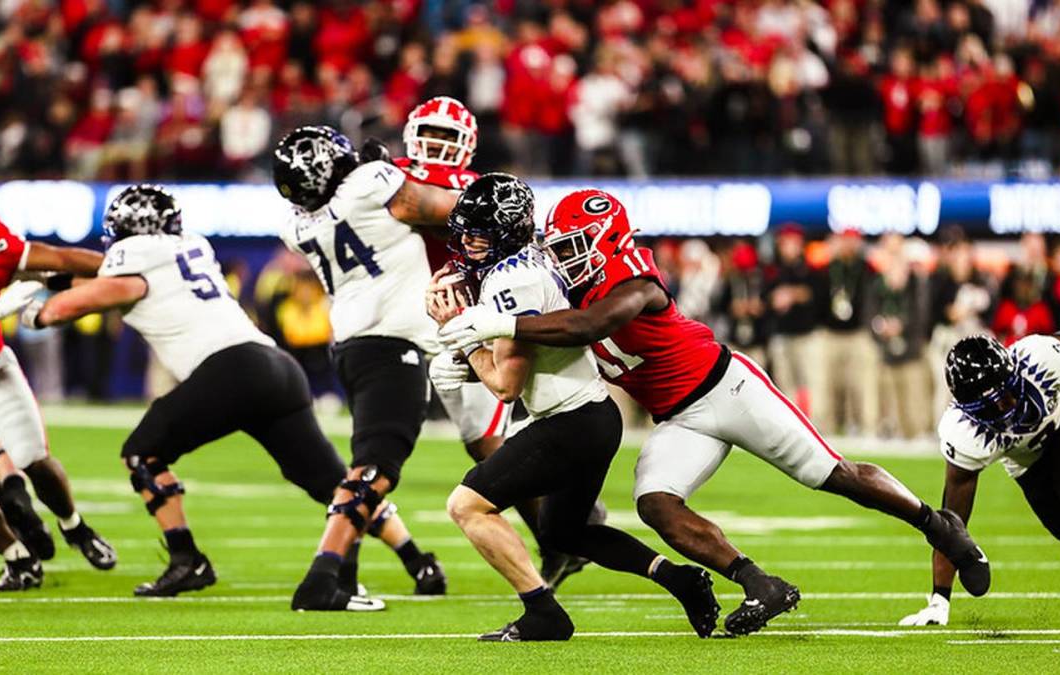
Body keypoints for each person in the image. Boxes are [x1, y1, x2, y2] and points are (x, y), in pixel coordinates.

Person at [440, 189, 992, 636]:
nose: (563, 256)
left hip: (727, 388)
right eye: (558, 246)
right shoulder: (560, 284)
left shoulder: (632, 277)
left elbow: (588, 328)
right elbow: (543, 348)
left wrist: (494, 324)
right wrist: (474, 355)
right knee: (656, 504)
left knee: (831, 475)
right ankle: (758, 582)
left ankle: (938, 525)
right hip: (678, 418)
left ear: (608, 240)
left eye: (575, 245)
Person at [27, 185, 361, 603]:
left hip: (229, 368)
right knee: (332, 480)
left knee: (143, 453)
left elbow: (90, 294)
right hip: (271, 363)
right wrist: (50, 276)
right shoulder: (188, 248)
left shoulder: (136, 260)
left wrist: (29, 308)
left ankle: (186, 559)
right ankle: (413, 555)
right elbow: (104, 277)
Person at [428, 174, 720, 641]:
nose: (468, 243)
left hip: (571, 422)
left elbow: (505, 384)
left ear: (506, 231)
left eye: (480, 233)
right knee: (566, 531)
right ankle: (680, 580)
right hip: (591, 415)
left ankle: (543, 612)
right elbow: (523, 361)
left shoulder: (511, 279)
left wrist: (461, 341)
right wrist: (469, 354)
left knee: (467, 506)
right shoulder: (527, 264)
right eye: (465, 232)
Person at [398, 96, 590, 587]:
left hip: (480, 312)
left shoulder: (470, 190)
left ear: (466, 146)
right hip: (434, 314)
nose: (438, 146)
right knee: (479, 442)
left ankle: (566, 527)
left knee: (489, 440)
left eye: (447, 137)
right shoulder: (398, 174)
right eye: (431, 135)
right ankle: (564, 525)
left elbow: (408, 204)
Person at [274, 126, 461, 610]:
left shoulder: (295, 226)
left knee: (363, 468)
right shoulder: (370, 182)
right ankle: (321, 579)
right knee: (375, 470)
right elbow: (445, 209)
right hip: (392, 342)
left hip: (352, 346)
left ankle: (346, 579)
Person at [0, 131, 115, 572]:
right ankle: (17, 557)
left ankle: (74, 525)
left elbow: (53, 258)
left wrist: (124, 262)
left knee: (35, 459)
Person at [899, 328, 1060, 626]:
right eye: (990, 404)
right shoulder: (966, 435)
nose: (1004, 406)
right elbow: (952, 521)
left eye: (1006, 392)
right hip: (1028, 464)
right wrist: (939, 599)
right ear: (968, 410)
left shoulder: (1043, 360)